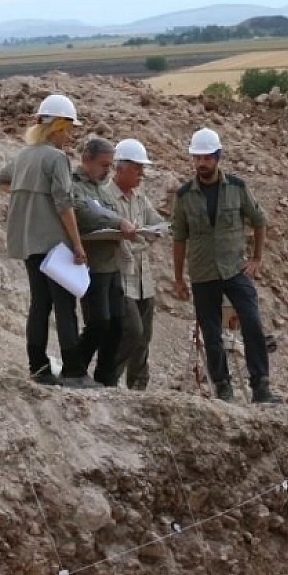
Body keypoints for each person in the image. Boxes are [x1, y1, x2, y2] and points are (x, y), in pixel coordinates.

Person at [171, 127, 283, 404]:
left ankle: (261, 387)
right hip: (203, 272)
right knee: (211, 334)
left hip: (235, 269)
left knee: (252, 322)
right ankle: (222, 388)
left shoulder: (237, 188)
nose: (201, 163)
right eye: (197, 158)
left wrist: (257, 259)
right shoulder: (184, 196)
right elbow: (179, 238)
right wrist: (178, 278)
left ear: (218, 157)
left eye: (207, 158)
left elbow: (259, 221)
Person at [0, 94, 89, 386]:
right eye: (68, 128)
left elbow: (1, 179)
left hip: (28, 241)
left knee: (39, 304)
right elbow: (64, 204)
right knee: (64, 306)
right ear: (57, 126)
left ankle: (38, 367)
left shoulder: (24, 155)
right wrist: (77, 244)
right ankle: (74, 371)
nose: (69, 135)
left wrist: (27, 197)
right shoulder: (57, 158)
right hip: (54, 244)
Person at [65, 137, 135, 387]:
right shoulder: (74, 186)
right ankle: (74, 370)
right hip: (92, 266)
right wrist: (117, 222)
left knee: (116, 323)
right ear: (87, 160)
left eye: (110, 165)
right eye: (104, 165)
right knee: (98, 322)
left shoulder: (102, 188)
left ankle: (105, 378)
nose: (108, 170)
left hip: (111, 263)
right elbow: (85, 213)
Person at [110, 138, 167, 390]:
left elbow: (158, 224)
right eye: (137, 168)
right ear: (120, 168)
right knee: (132, 329)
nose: (141, 174)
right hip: (121, 273)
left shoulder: (139, 198)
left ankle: (138, 385)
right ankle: (109, 376)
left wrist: (148, 233)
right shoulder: (107, 197)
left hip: (143, 276)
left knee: (145, 334)